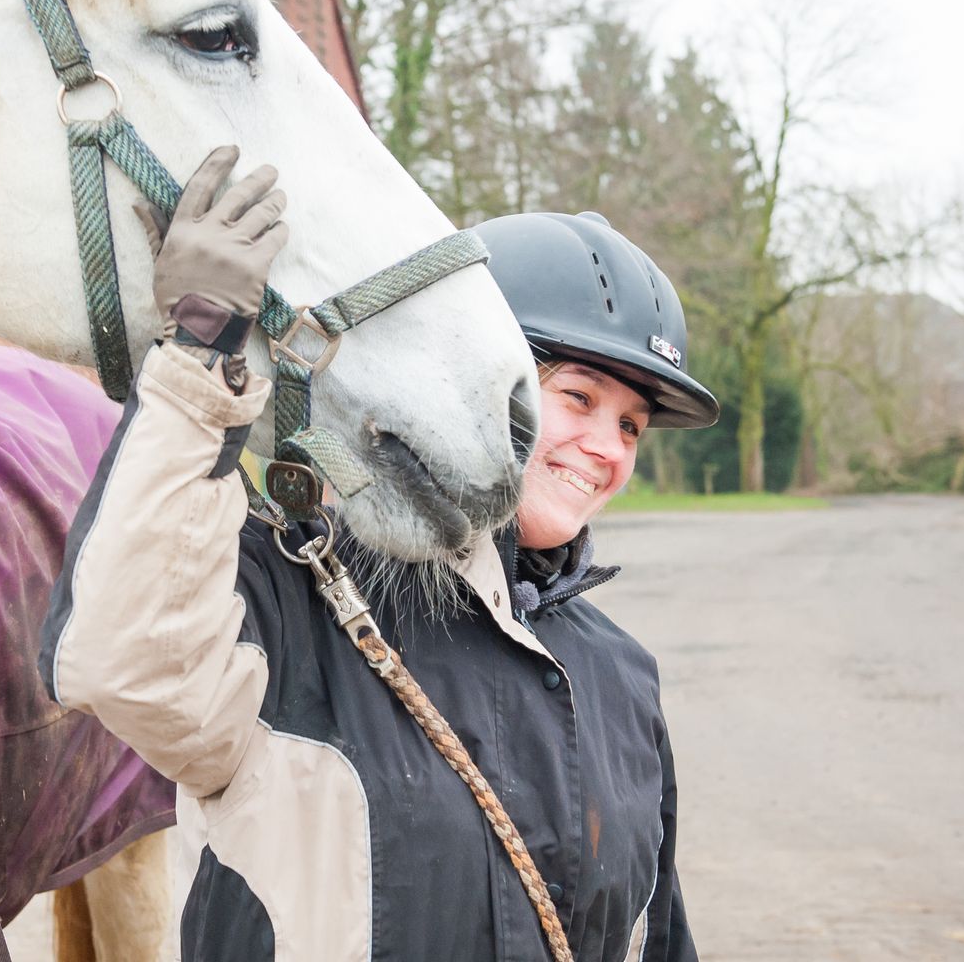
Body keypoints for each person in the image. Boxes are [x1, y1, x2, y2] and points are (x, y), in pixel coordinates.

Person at [39, 146, 717, 960]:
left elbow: (658, 938)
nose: (606, 448)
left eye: (631, 426)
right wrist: (198, 357)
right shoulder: (292, 597)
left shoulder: (624, 675)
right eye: (578, 397)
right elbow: (122, 661)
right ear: (473, 379)